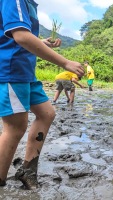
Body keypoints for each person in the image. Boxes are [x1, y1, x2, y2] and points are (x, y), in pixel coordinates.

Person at [0, 0, 84, 190]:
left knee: (47, 113)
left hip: (26, 72)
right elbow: (21, 36)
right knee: (14, 128)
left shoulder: (30, 3)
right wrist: (65, 63)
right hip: (11, 71)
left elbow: (19, 35)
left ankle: (27, 170)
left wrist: (41, 42)